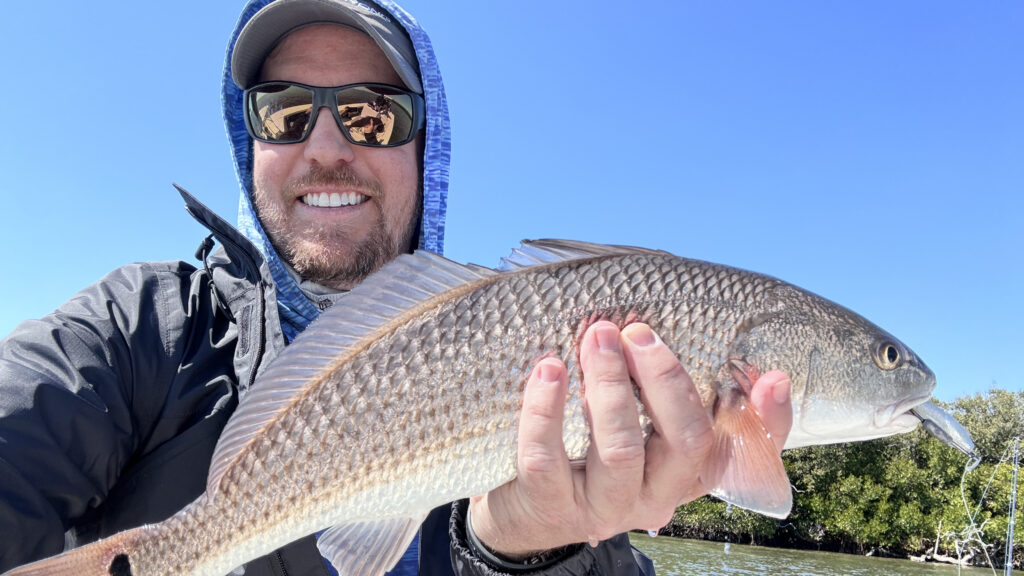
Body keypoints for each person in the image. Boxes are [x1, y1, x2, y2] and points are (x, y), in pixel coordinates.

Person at [0, 0, 794, 574]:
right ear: (250, 141)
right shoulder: (137, 327)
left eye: (371, 114)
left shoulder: (546, 350)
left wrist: (525, 551)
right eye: (281, 113)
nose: (325, 147)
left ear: (427, 147)